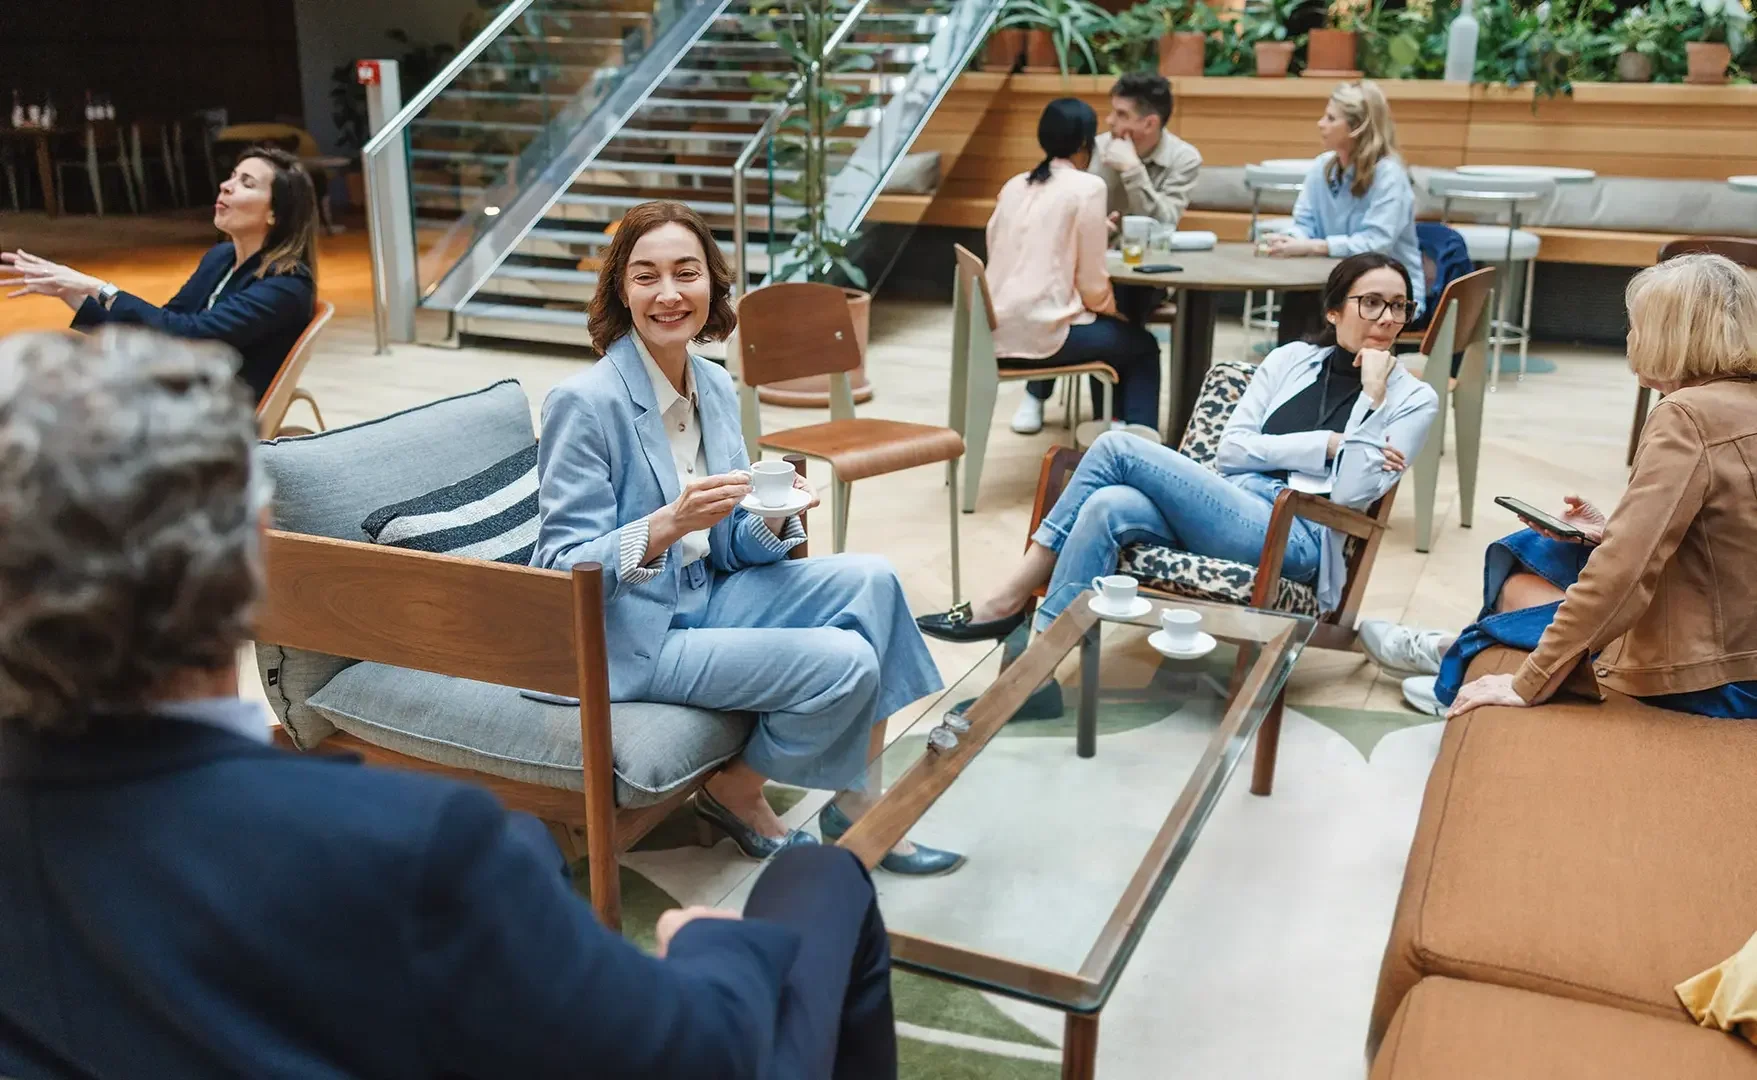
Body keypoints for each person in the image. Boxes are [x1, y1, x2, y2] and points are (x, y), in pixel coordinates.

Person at [0, 327, 898, 1080]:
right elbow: (696, 1053)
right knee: (817, 882)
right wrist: (713, 946)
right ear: (252, 561)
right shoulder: (415, 845)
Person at [532, 200, 960, 875]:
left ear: (713, 283)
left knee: (874, 579)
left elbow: (729, 547)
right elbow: (558, 568)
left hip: (706, 595)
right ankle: (739, 785)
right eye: (645, 277)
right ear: (620, 290)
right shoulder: (585, 403)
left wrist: (770, 519)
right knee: (846, 661)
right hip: (628, 638)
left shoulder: (714, 384)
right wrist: (668, 523)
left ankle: (859, 802)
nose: (669, 294)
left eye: (686, 272)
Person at [918, 252, 1439, 642]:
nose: (1387, 318)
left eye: (1398, 306)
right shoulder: (1289, 361)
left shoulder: (1413, 399)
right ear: (1333, 311)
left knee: (1118, 447)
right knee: (1104, 505)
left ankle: (1009, 598)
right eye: (1371, 302)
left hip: (1295, 535)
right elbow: (1232, 451)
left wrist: (1371, 399)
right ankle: (1044, 666)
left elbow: (1348, 493)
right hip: (1229, 500)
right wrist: (1326, 445)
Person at [1359, 253, 1757, 721]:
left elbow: (1624, 573)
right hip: (1735, 635)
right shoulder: (1734, 402)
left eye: (1636, 326)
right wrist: (1610, 529)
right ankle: (1452, 651)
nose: (1630, 339)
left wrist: (1528, 682)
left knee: (1523, 584)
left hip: (1716, 673)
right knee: (1539, 549)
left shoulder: (1685, 417)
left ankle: (1454, 663)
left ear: (1670, 335)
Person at [0, 145, 318, 405]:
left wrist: (96, 287)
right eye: (232, 176)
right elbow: (165, 326)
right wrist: (67, 291)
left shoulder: (287, 284)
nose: (226, 185)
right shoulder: (221, 257)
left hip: (217, 412)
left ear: (275, 213)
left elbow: (192, 334)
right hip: (180, 391)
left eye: (246, 183)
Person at [991, 97, 1162, 437]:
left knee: (1115, 337)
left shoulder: (1014, 185)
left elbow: (1005, 248)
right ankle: (1142, 452)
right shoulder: (1088, 187)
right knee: (1141, 347)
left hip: (993, 333)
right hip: (1045, 337)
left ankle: (1113, 428)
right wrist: (1112, 312)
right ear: (1086, 143)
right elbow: (1092, 285)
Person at [1266, 82, 1424, 346]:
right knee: (1300, 299)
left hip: (1385, 295)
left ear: (1356, 127)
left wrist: (1314, 246)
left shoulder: (1389, 176)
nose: (1320, 124)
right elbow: (1303, 222)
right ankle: (1294, 376)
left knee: (1327, 308)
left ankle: (1331, 380)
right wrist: (1292, 240)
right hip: (1327, 284)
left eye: (1330, 118)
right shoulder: (1321, 167)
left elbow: (1375, 244)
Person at [1088, 72, 1203, 329]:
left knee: (1131, 296)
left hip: (1145, 272)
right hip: (1093, 264)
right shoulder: (1096, 149)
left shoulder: (1184, 159)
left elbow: (1164, 224)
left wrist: (1132, 170)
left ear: (1150, 124)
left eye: (1121, 115)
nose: (1109, 121)